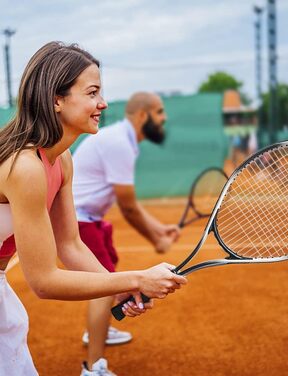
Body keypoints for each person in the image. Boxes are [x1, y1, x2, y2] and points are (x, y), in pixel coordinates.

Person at [0, 42, 187, 376]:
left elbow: (69, 245)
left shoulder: (62, 160)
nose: (102, 103)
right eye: (91, 93)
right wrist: (136, 278)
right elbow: (43, 281)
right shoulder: (25, 167)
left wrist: (121, 287)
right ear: (57, 99)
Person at [72, 92, 181, 374]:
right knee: (103, 287)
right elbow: (128, 207)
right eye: (159, 112)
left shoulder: (124, 141)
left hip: (89, 217)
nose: (164, 118)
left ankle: (101, 331)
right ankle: (92, 367)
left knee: (109, 272)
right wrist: (156, 240)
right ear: (143, 116)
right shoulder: (119, 142)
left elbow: (129, 204)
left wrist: (160, 229)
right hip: (78, 219)